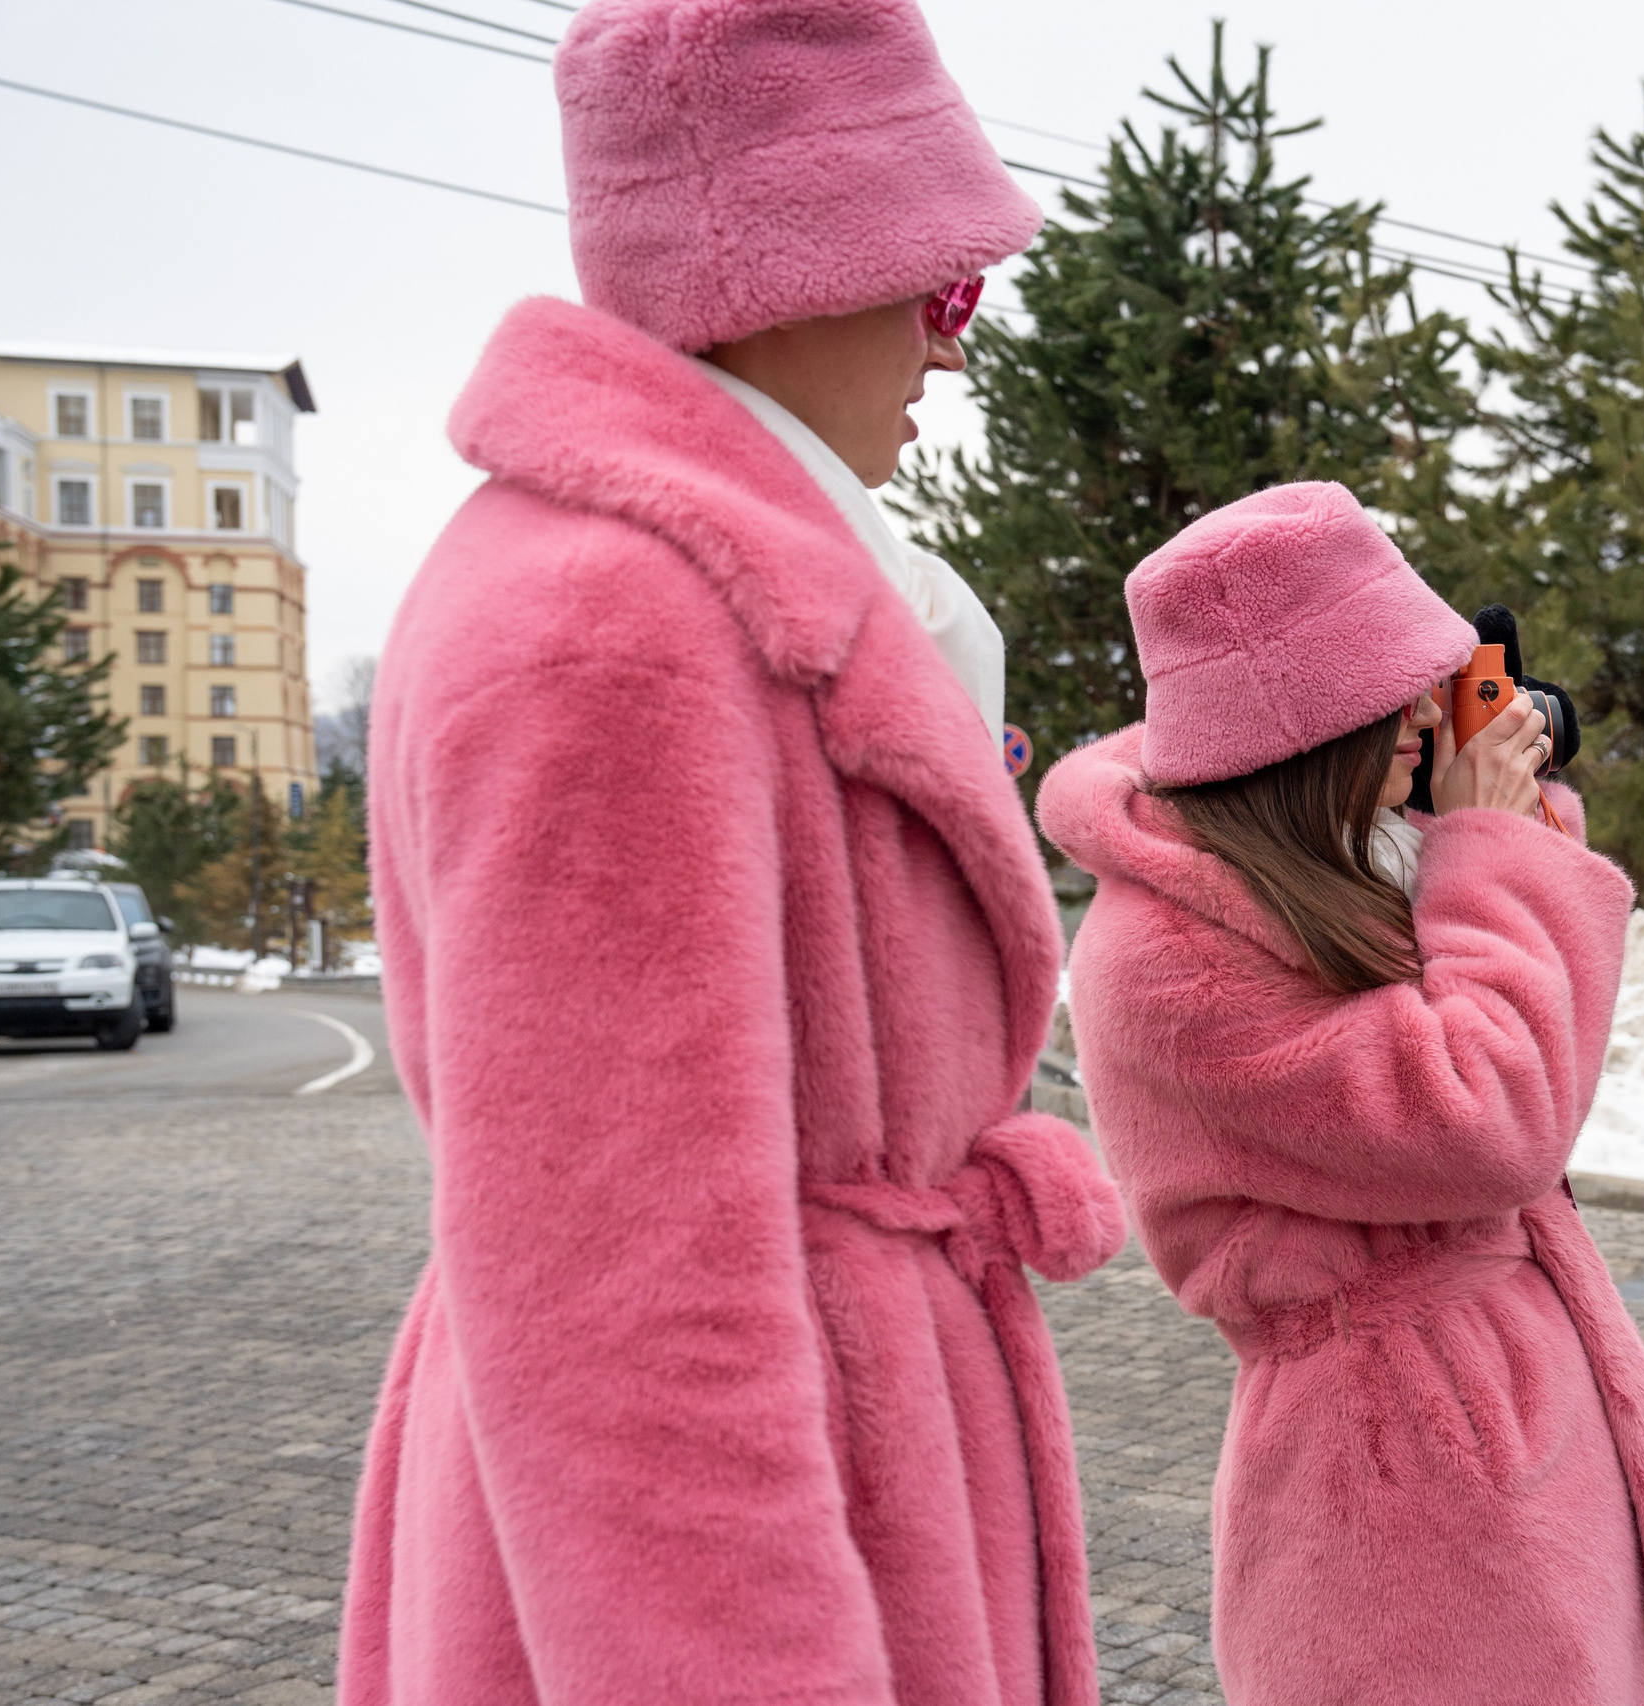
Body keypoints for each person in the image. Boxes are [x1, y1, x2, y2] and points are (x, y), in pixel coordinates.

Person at [339, 2, 1123, 1702]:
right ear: (795, 272)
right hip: (767, 1529)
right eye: (939, 290)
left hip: (863, 1457)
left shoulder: (679, 583)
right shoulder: (611, 625)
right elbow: (628, 1309)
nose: (950, 354)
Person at [1036, 482, 1644, 1705]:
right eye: (1395, 687)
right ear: (1309, 717)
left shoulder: (1333, 861)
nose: (1427, 710)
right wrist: (1495, 845)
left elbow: (1510, 1012)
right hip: (1399, 1481)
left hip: (1499, 1437)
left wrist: (1494, 821)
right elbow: (1493, 1112)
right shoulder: (1174, 957)